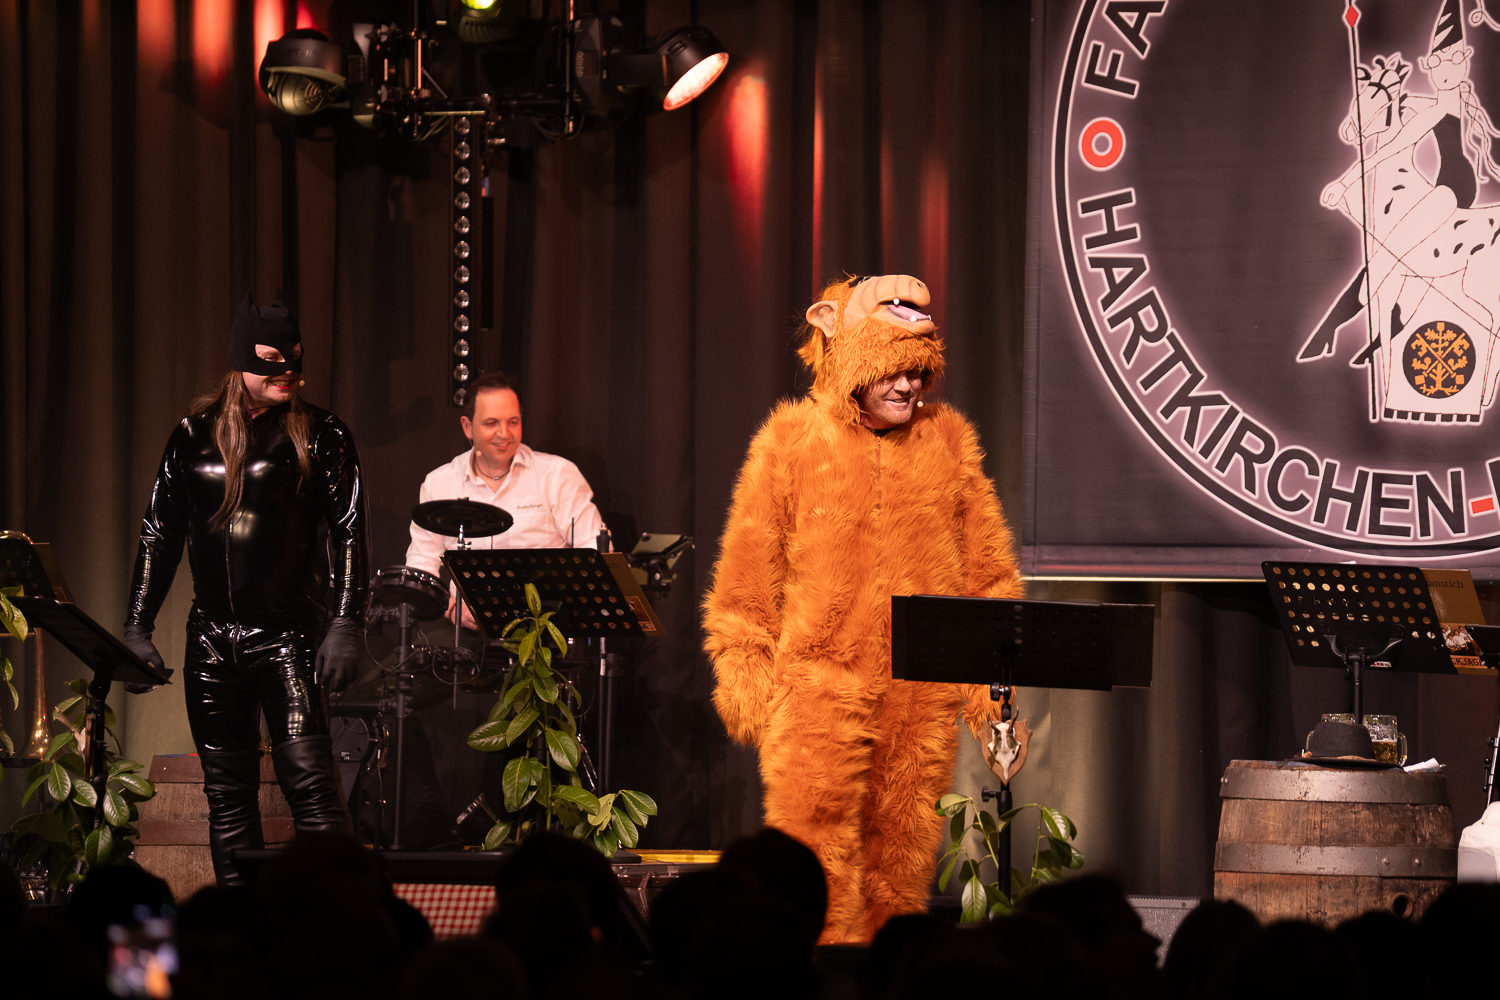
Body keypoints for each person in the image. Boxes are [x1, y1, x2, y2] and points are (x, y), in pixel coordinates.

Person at [703, 273, 1024, 943]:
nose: (908, 386)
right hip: (816, 692)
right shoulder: (790, 441)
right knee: (810, 870)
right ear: (851, 360)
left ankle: (885, 980)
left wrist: (992, 698)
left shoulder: (947, 442)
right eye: (893, 370)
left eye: (917, 371)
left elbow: (988, 575)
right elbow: (747, 576)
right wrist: (748, 677)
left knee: (898, 871)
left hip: (918, 698)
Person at [124, 291, 367, 886]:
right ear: (240, 360)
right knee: (227, 798)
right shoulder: (192, 435)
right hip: (211, 641)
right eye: (272, 361)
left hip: (288, 638)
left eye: (295, 359)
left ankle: (334, 920)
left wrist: (345, 622)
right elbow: (159, 533)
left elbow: (350, 532)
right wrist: (137, 626)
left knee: (311, 788)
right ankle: (243, 926)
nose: (288, 372)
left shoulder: (323, 434)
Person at [405, 369, 605, 629]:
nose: (504, 433)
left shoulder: (556, 474)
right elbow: (421, 564)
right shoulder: (439, 483)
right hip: (467, 633)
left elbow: (596, 549)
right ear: (468, 427)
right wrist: (450, 607)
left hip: (542, 630)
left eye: (513, 422)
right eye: (491, 423)